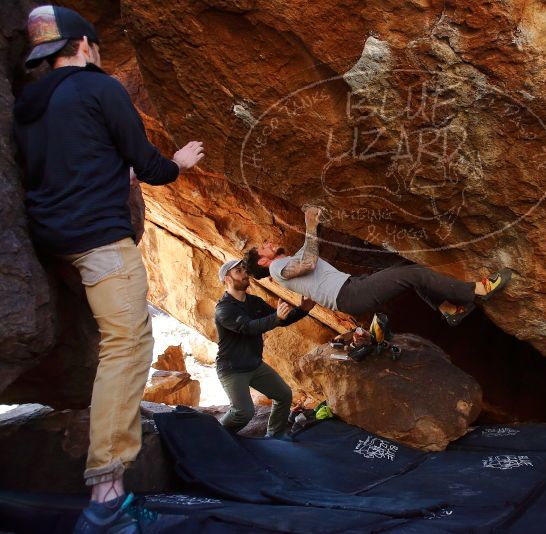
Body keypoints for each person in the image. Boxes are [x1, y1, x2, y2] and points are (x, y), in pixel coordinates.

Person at [12, 6, 204, 532]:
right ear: (85, 45)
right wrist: (181, 161)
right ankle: (107, 494)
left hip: (53, 239)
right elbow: (150, 165)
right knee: (128, 342)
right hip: (99, 241)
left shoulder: (29, 104)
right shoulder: (101, 89)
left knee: (107, 335)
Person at [244, 207, 512, 326]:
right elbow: (310, 257)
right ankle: (477, 290)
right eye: (263, 247)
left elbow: (310, 245)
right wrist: (310, 223)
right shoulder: (277, 270)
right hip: (349, 295)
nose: (268, 243)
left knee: (406, 268)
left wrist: (314, 219)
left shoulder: (287, 263)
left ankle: (448, 309)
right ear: (263, 261)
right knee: (412, 274)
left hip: (352, 289)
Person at [215, 259, 315, 437]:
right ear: (227, 280)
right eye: (239, 271)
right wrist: (276, 318)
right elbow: (248, 327)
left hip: (254, 365)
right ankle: (217, 435)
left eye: (244, 269)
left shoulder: (254, 301)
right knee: (243, 412)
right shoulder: (224, 309)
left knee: (284, 395)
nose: (245, 273)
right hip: (232, 369)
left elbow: (281, 319)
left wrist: (303, 309)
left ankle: (274, 437)